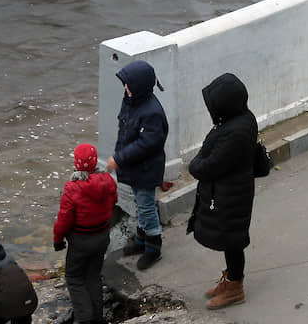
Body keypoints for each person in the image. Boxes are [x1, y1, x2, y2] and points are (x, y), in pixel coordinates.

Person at [186, 72, 258, 310]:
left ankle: (235, 287)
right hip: (232, 191)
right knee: (231, 239)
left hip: (231, 194)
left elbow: (211, 165)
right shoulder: (240, 119)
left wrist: (194, 165)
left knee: (232, 240)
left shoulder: (235, 131)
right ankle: (231, 279)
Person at [106, 60, 169, 270]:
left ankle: (153, 247)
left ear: (139, 86)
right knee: (140, 203)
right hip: (135, 168)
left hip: (145, 169)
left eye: (128, 84)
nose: (125, 88)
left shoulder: (152, 113)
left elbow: (146, 145)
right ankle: (142, 239)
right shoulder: (131, 102)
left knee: (147, 206)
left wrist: (119, 158)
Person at [53, 143, 118, 324]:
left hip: (80, 240)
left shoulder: (73, 188)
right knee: (93, 276)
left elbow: (64, 218)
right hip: (101, 236)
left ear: (77, 164)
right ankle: (97, 318)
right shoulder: (108, 180)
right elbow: (114, 201)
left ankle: (83, 322)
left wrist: (58, 240)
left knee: (74, 278)